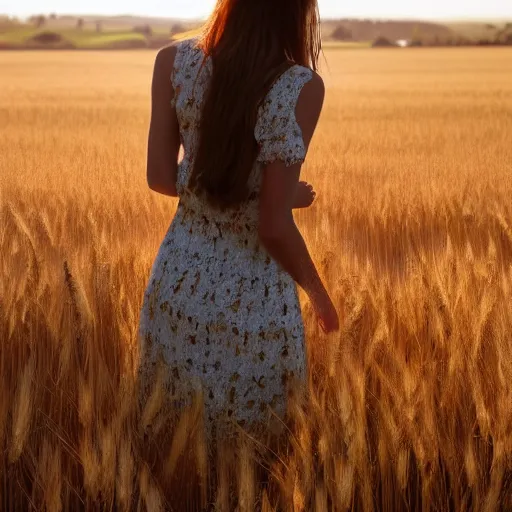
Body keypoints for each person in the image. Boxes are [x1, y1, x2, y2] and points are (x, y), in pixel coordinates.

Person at [138, 0, 339, 440]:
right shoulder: (300, 86)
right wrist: (321, 298)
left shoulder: (172, 62)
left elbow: (160, 178)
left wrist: (270, 197)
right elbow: (272, 225)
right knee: (254, 452)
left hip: (176, 286)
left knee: (172, 439)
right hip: (251, 304)